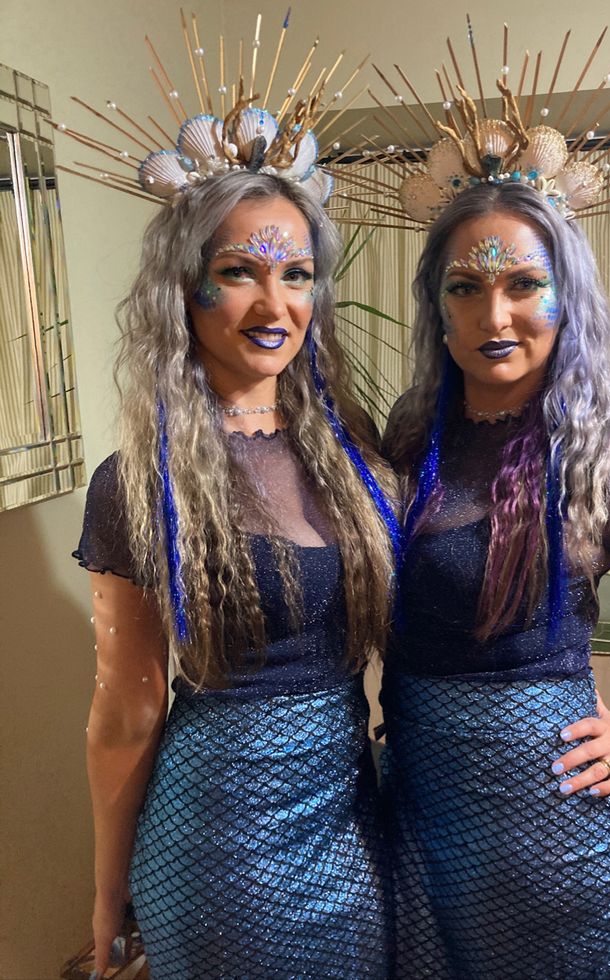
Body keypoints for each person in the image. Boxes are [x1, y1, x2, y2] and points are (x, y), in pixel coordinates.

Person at [380, 180, 610, 979]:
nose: (493, 316)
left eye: (523, 285)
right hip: (416, 798)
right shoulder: (411, 434)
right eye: (465, 288)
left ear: (566, 298)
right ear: (437, 307)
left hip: (541, 822)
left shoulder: (604, 462)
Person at [74, 169, 398, 979]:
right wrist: (109, 891)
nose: (274, 303)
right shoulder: (138, 480)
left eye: (295, 274)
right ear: (184, 290)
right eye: (238, 273)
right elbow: (127, 706)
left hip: (350, 821)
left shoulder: (356, 456)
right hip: (221, 841)